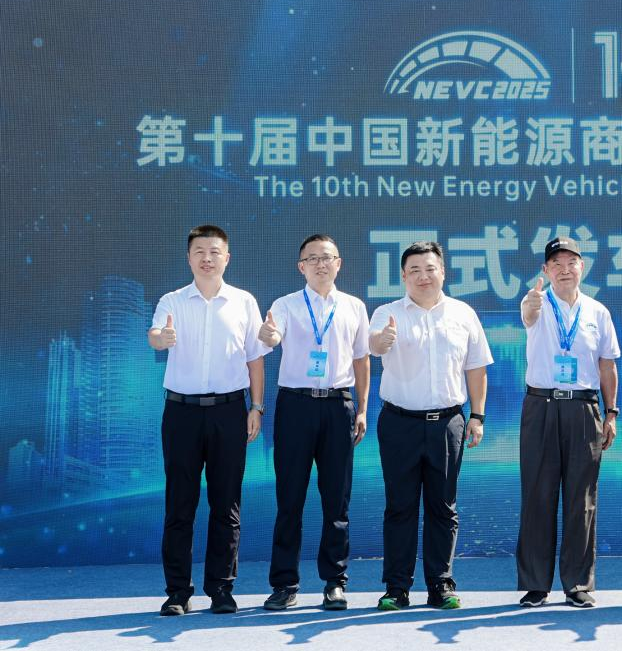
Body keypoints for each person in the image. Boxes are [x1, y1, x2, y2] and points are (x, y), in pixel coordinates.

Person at [148, 224, 269, 616]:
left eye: (214, 252)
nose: (207, 258)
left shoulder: (244, 302)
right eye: (199, 251)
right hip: (181, 413)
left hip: (229, 411)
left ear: (227, 258)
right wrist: (161, 339)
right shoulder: (172, 300)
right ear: (188, 258)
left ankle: (221, 589)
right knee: (179, 504)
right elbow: (155, 334)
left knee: (226, 503)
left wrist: (257, 407)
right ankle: (177, 592)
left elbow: (255, 359)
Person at [368, 241, 492, 611]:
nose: (423, 276)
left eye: (430, 269)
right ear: (403, 276)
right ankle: (397, 588)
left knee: (443, 507)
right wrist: (382, 340)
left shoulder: (462, 313)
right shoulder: (387, 313)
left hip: (448, 423)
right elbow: (373, 345)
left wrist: (478, 416)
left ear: (443, 272)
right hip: (399, 423)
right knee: (400, 507)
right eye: (415, 270)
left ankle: (441, 584)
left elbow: (476, 367)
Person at [259, 234, 370, 611]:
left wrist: (362, 409)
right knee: (289, 499)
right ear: (301, 267)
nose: (321, 264)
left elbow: (361, 360)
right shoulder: (286, 305)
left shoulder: (354, 306)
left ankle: (335, 582)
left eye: (327, 258)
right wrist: (269, 335)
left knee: (336, 500)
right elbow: (271, 337)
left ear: (339, 264)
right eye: (312, 258)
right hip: (295, 405)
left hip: (338, 405)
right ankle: (284, 584)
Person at [517, 236, 620, 609]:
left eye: (571, 262)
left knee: (582, 499)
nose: (564, 270)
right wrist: (530, 307)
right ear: (545, 270)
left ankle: (577, 583)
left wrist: (611, 412)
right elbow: (528, 317)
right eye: (556, 264)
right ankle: (535, 584)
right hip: (541, 405)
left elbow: (607, 365)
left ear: (582, 267)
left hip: (583, 408)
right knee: (538, 495)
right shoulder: (536, 303)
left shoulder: (597, 311)